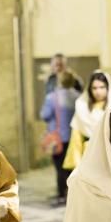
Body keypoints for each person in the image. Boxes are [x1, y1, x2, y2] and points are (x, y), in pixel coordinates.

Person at [63, 70, 111, 171]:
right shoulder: (82, 107)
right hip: (88, 156)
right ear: (89, 89)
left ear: (108, 87)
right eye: (94, 88)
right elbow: (76, 138)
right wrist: (76, 165)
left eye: (102, 87)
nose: (98, 91)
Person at [40, 70, 80, 206]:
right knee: (73, 167)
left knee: (60, 168)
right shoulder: (78, 97)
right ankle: (73, 193)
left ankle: (62, 194)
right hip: (74, 137)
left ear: (59, 82)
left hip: (58, 138)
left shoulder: (52, 97)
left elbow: (44, 115)